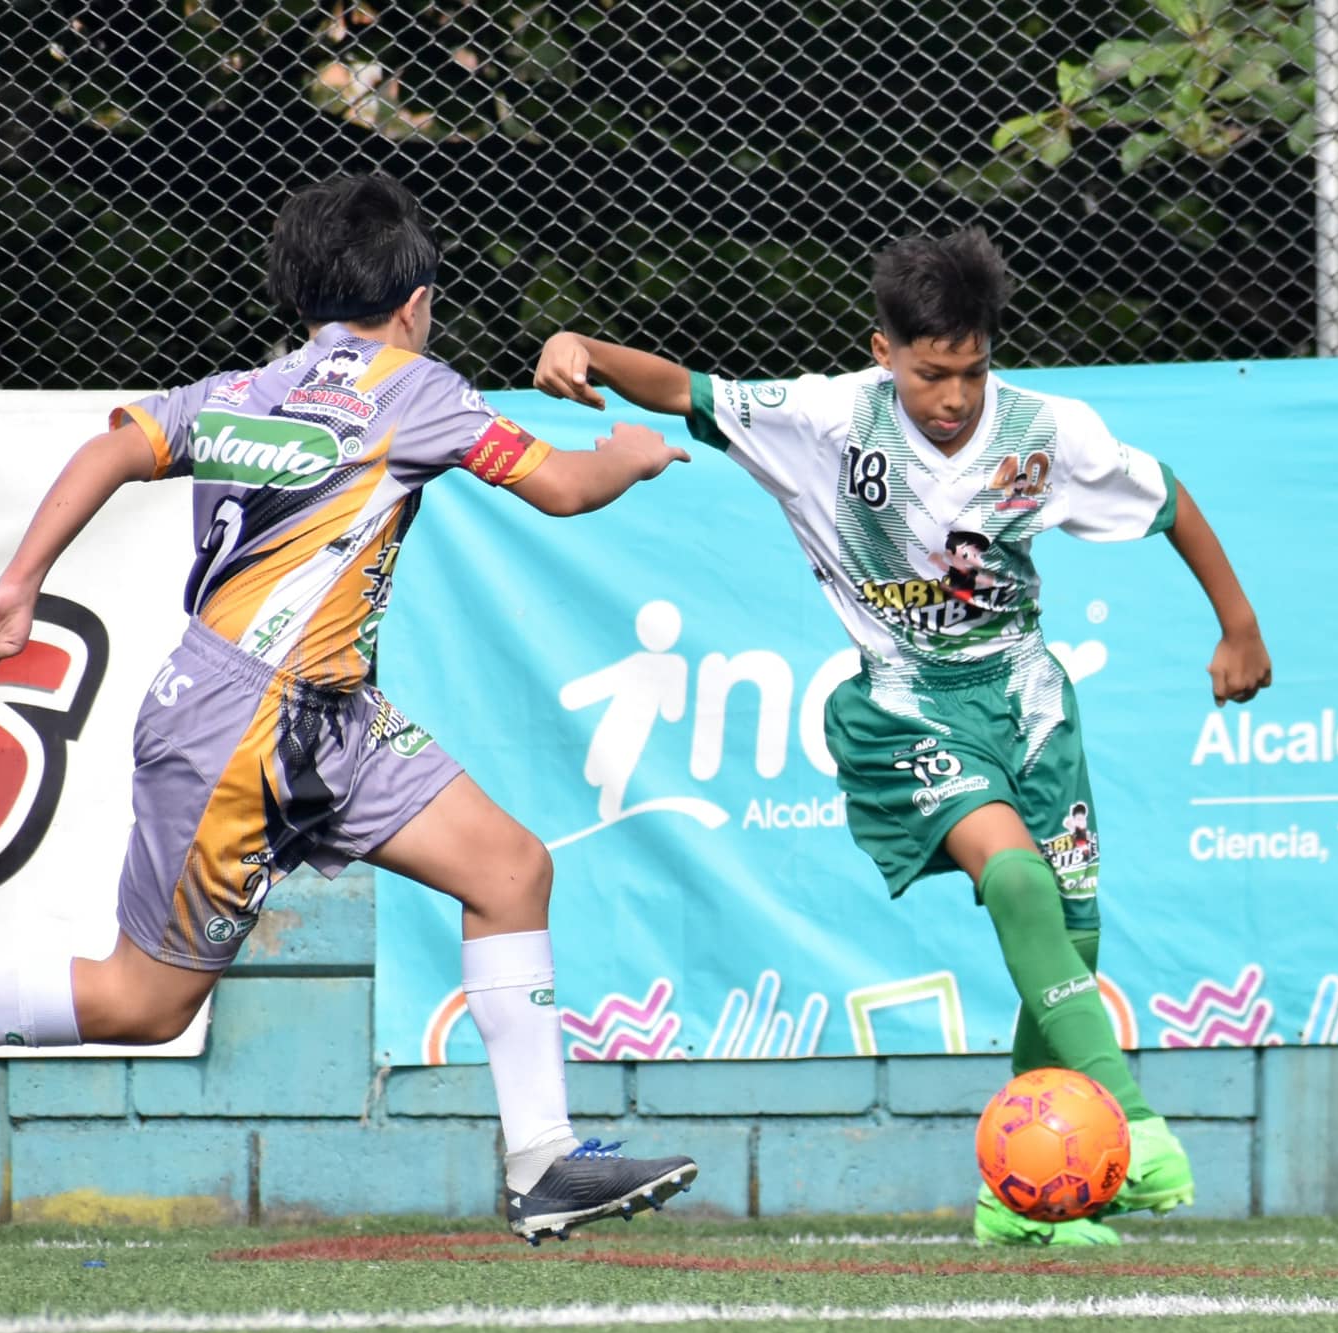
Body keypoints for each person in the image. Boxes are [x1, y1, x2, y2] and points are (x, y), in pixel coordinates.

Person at [0, 172, 698, 1245]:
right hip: (240, 723)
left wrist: (20, 582)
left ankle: (540, 1160)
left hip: (326, 715)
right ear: (415, 299)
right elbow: (563, 486)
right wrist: (624, 457)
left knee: (508, 866)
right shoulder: (416, 386)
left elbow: (117, 443)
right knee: (142, 1000)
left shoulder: (242, 391)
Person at [531, 227, 1272, 1246]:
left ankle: (1022, 1201)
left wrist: (1237, 625)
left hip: (1026, 700)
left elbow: (1167, 500)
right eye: (931, 373)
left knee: (1065, 940)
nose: (954, 397)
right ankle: (1129, 1115)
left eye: (970, 370)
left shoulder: (1044, 431)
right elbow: (686, 391)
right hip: (900, 703)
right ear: (882, 351)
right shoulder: (827, 419)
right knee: (1016, 883)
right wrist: (583, 344)